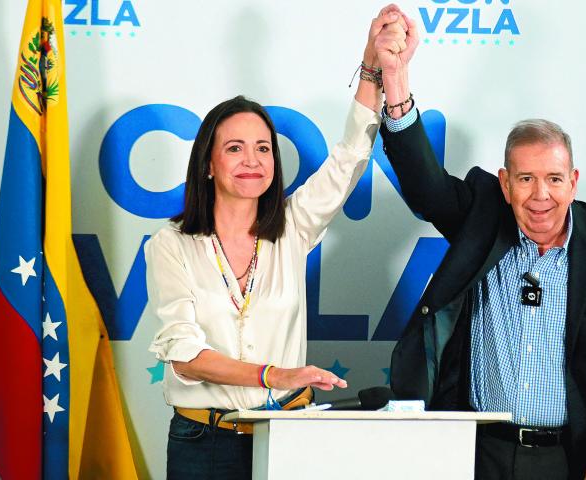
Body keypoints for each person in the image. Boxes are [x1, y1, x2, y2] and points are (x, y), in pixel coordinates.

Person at [372, 9, 586, 480]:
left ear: (573, 182)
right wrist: (397, 80)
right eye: (526, 179)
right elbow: (426, 186)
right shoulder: (483, 215)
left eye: (553, 179)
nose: (541, 195)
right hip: (471, 452)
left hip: (572, 458)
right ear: (505, 184)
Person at [145, 8, 409, 479]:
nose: (252, 160)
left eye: (263, 147)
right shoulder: (171, 245)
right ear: (207, 163)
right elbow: (185, 358)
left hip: (288, 434)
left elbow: (349, 158)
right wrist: (276, 375)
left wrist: (373, 68)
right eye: (234, 148)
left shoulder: (293, 225)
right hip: (203, 444)